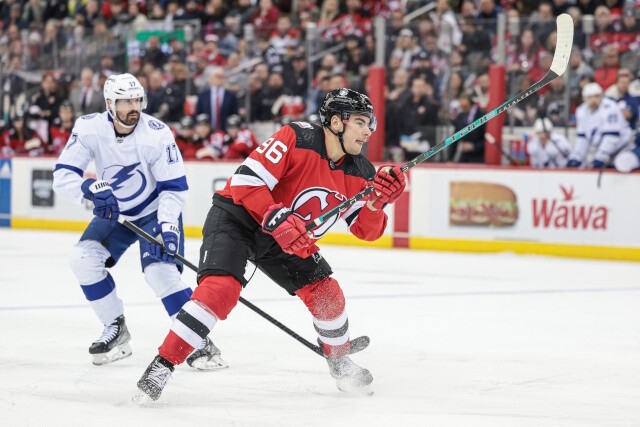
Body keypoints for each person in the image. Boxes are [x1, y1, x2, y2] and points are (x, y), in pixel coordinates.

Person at [135, 88, 407, 402]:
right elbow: (245, 183)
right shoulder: (297, 137)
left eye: (369, 123)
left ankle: (340, 361)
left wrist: (377, 204)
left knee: (327, 294)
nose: (368, 130)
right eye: (360, 122)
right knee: (220, 290)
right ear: (336, 122)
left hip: (288, 236)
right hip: (240, 217)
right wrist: (274, 215)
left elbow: (365, 231)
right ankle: (163, 364)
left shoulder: (361, 172)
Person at [52, 73, 225, 370]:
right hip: (115, 211)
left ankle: (198, 339)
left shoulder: (157, 134)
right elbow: (62, 176)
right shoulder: (89, 127)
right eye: (125, 101)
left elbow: (174, 188)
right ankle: (115, 327)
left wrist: (169, 227)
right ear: (110, 103)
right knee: (82, 259)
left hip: (154, 211)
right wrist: (89, 188)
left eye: (136, 100)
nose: (133, 107)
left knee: (160, 273)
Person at [568, 82, 633, 169]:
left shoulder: (610, 107)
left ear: (601, 96)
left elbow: (611, 137)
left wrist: (601, 157)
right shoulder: (581, 111)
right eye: (590, 97)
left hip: (622, 149)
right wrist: (576, 157)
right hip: (604, 152)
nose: (593, 100)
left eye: (596, 96)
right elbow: (582, 138)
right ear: (584, 98)